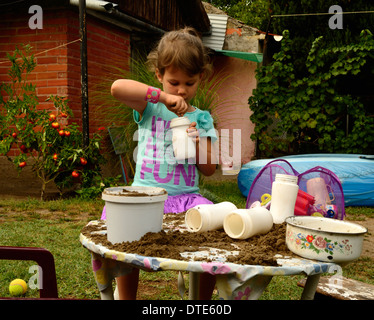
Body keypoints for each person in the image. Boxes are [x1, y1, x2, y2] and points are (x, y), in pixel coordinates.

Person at [107, 27, 218, 299]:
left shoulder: (202, 118)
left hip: (186, 199)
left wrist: (196, 139)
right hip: (145, 195)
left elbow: (209, 168)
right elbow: (116, 88)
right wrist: (161, 96)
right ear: (159, 75)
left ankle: (200, 301)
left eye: (189, 83)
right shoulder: (150, 107)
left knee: (213, 236)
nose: (181, 90)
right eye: (174, 82)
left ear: (200, 78)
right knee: (127, 248)